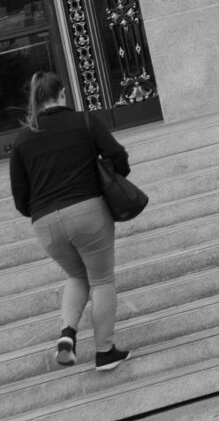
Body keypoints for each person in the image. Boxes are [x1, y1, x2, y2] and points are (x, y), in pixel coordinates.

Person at [8, 69, 133, 370]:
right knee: (101, 279)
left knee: (77, 276)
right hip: (87, 211)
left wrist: (44, 211)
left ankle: (67, 335)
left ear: (36, 101)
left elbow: (20, 198)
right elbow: (119, 157)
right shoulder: (85, 122)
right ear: (62, 93)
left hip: (45, 223)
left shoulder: (22, 140)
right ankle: (105, 351)